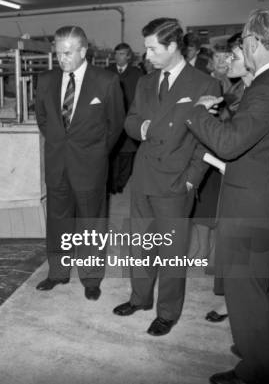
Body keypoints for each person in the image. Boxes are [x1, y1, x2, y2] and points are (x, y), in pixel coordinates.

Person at [183, 7, 269, 384]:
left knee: (246, 293)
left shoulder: (265, 89)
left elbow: (229, 144)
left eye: (242, 45)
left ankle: (256, 372)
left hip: (251, 204)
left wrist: (199, 114)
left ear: (252, 43)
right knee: (266, 292)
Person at [114, 18, 220, 337]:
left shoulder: (203, 84)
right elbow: (130, 121)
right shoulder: (146, 82)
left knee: (172, 253)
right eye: (145, 48)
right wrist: (141, 128)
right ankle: (140, 298)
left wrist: (192, 179)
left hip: (176, 181)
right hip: (145, 175)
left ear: (173, 47)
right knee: (141, 244)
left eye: (152, 48)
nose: (146, 56)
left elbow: (205, 142)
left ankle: (168, 312)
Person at [35, 25, 124, 301]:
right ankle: (58, 272)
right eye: (58, 53)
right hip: (57, 164)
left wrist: (96, 153)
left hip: (91, 166)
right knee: (58, 219)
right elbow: (43, 120)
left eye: (68, 53)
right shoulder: (46, 80)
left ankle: (91, 277)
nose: (62, 59)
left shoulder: (106, 81)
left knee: (91, 223)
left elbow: (116, 124)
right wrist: (59, 143)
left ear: (84, 51)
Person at [202, 32, 255, 324]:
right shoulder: (237, 88)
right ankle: (230, 299)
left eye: (233, 56)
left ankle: (241, 304)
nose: (226, 62)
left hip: (248, 173)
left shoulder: (259, 91)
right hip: (230, 169)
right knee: (229, 238)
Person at [106, 43, 144, 194]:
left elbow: (141, 98)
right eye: (116, 54)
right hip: (112, 119)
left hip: (129, 119)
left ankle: (120, 184)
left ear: (128, 56)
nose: (118, 57)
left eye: (121, 54)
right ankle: (112, 185)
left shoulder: (136, 73)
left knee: (127, 155)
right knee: (112, 154)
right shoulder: (108, 71)